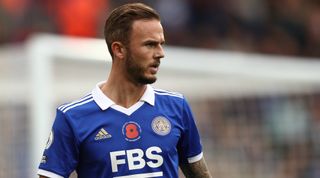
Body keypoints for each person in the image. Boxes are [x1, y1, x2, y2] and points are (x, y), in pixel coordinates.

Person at [38, 3, 212, 178]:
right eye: (150, 45)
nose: (160, 53)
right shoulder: (73, 117)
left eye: (161, 44)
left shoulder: (177, 107)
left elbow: (201, 174)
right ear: (119, 49)